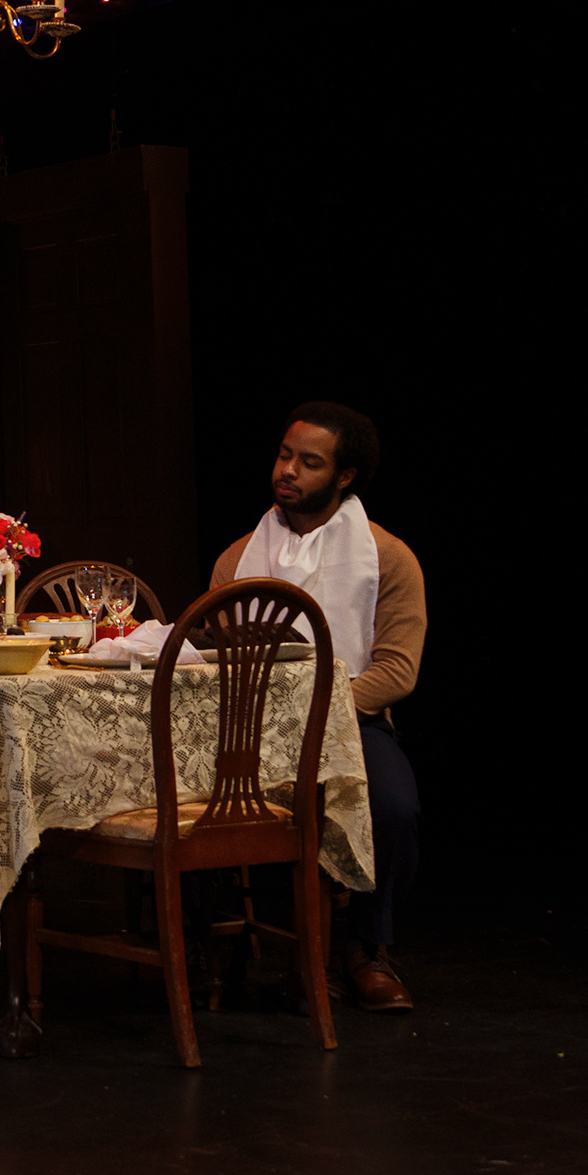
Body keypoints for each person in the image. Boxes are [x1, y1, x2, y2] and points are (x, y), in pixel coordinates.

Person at [208, 400, 428, 1012]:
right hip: (250, 729)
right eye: (285, 455)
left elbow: (397, 670)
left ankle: (366, 948)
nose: (288, 471)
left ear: (345, 476)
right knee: (194, 798)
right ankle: (232, 947)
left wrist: (318, 717)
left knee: (394, 807)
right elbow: (212, 654)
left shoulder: (388, 558)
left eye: (309, 463)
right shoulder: (238, 558)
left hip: (352, 722)